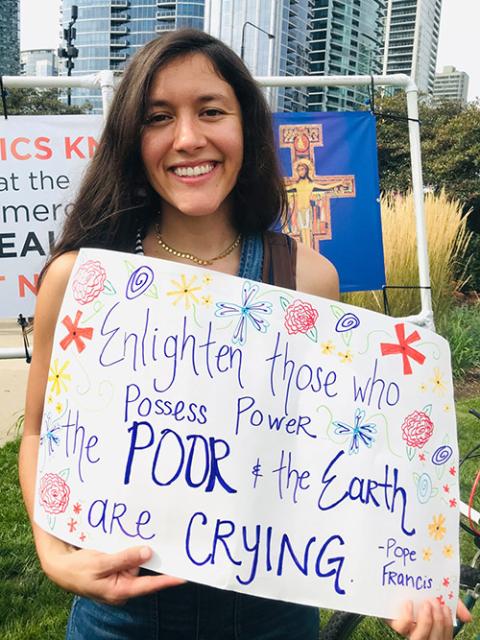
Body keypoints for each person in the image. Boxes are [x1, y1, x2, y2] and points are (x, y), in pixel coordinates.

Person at [19, 29, 470, 640]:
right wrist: (55, 557)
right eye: (159, 117)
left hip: (273, 613)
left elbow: (332, 454)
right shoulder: (79, 281)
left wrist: (401, 579)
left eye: (211, 111)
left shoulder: (308, 280)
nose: (187, 138)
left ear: (246, 128)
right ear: (132, 139)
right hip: (118, 616)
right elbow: (42, 429)